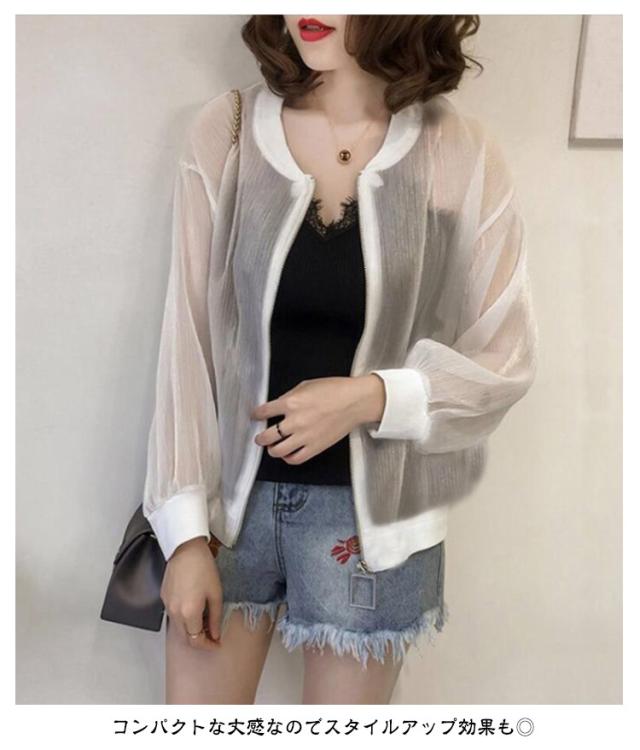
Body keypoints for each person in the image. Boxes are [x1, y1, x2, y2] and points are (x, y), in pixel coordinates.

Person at [142, 14, 539, 704]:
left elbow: (505, 356)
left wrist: (369, 397)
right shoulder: (228, 132)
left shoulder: (459, 152)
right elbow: (188, 340)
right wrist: (182, 536)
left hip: (371, 531)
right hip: (224, 518)